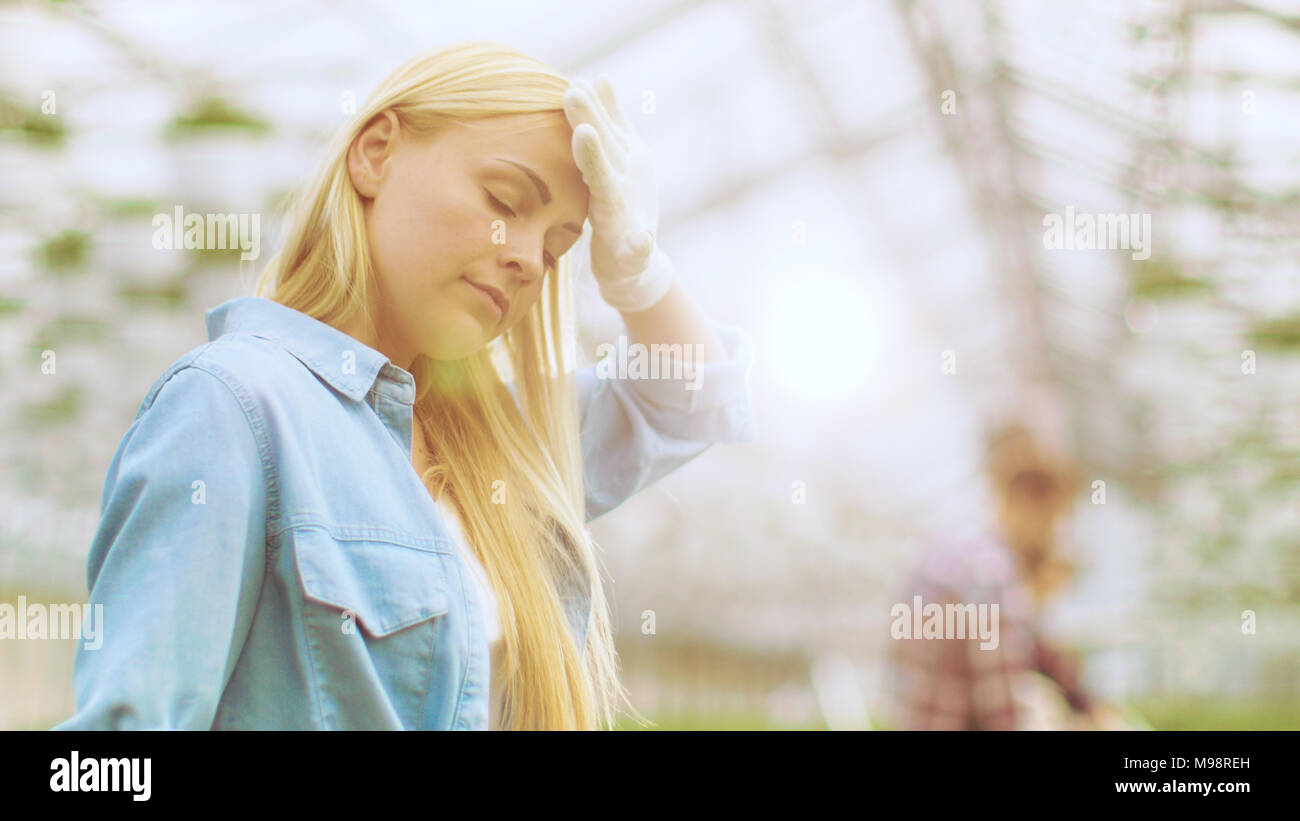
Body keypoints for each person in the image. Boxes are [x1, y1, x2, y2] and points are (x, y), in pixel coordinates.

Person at [52, 41, 755, 731]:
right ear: (376, 152)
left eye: (556, 247)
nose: (526, 260)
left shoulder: (502, 444)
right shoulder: (234, 407)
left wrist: (637, 268)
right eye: (505, 199)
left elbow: (694, 403)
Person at [885, 422, 1127, 730]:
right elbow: (1001, 712)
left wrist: (1084, 701)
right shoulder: (990, 575)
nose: (1052, 536)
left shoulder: (946, 551)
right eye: (1053, 519)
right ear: (1026, 502)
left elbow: (1030, 642)